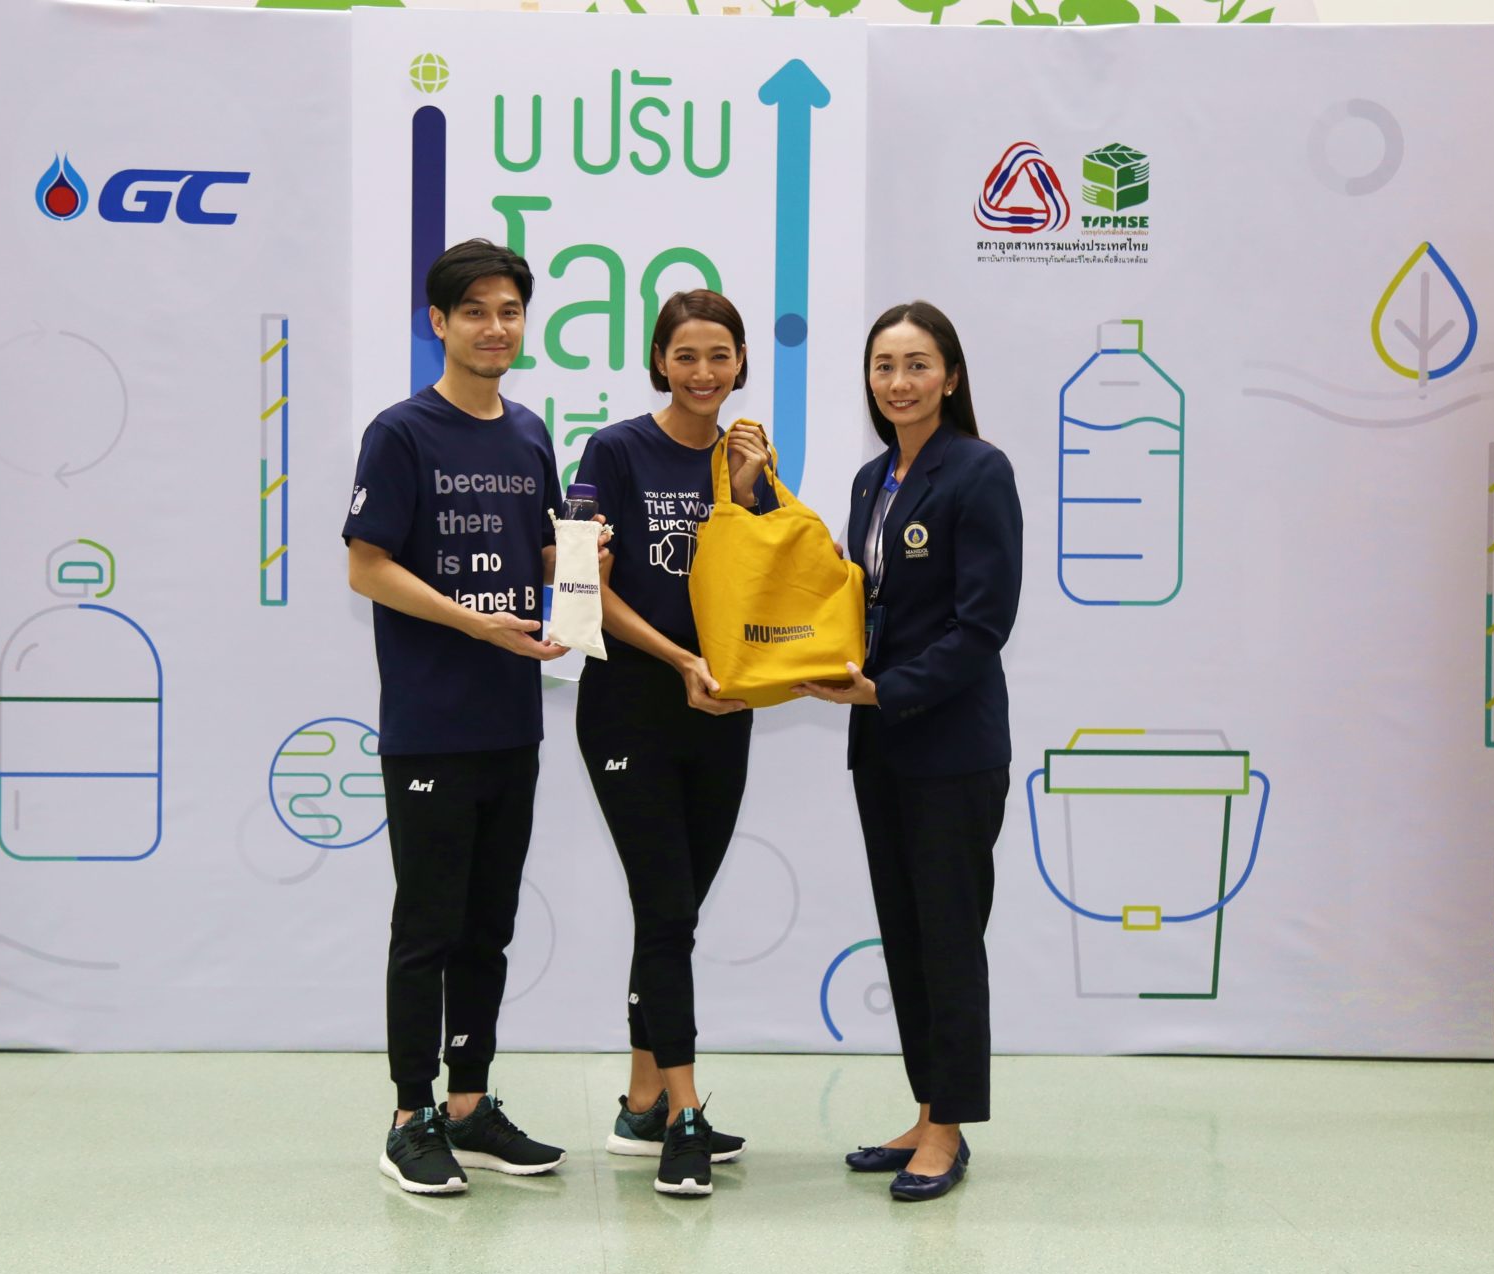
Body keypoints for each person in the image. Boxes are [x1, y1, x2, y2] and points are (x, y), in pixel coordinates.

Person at [344, 238, 574, 1196]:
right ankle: (411, 1115)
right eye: (474, 310)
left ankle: (470, 1106)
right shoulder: (401, 434)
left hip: (512, 723)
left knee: (489, 927)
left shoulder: (529, 433)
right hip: (431, 723)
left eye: (509, 310)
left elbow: (549, 552)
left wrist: (581, 577)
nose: (495, 327)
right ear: (438, 323)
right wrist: (473, 622)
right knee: (428, 927)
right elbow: (367, 566)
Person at [794, 300, 1023, 1203]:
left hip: (952, 745)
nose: (900, 382)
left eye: (918, 364)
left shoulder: (980, 471)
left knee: (948, 939)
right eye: (885, 366)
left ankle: (949, 1130)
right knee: (906, 936)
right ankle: (926, 1109)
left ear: (951, 376)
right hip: (881, 744)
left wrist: (888, 689)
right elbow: (864, 599)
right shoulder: (870, 480)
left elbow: (983, 625)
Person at [572, 290, 772, 1196]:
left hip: (721, 713)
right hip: (630, 707)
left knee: (675, 910)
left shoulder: (746, 462)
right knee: (665, 908)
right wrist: (681, 659)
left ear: (741, 363)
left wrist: (756, 493)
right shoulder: (614, 451)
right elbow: (584, 590)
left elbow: (768, 587)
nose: (703, 372)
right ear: (659, 361)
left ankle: (643, 1103)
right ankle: (685, 1115)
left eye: (719, 355)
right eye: (685, 355)